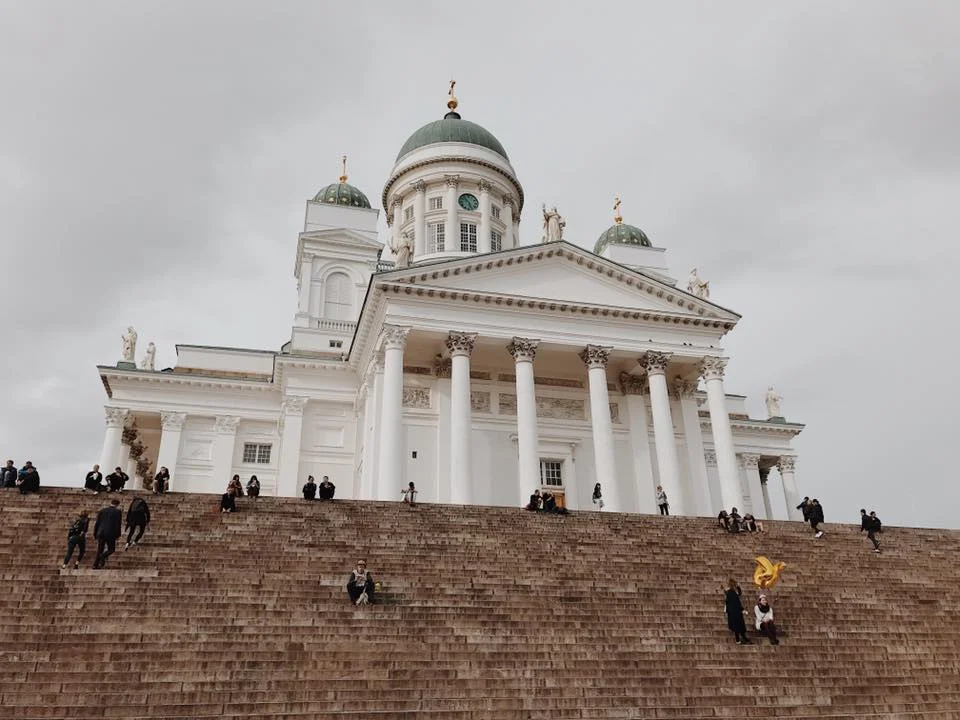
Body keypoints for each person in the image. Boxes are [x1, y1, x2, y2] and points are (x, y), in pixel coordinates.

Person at [92, 499, 123, 569]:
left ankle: (95, 565)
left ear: (111, 503)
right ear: (117, 505)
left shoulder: (102, 510)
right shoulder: (117, 512)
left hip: (101, 532)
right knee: (111, 549)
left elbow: (97, 523)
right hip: (111, 533)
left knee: (100, 549)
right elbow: (118, 524)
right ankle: (102, 556)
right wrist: (118, 534)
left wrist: (95, 533)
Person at [723, 579, 750, 644]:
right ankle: (738, 639)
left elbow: (739, 594)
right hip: (735, 611)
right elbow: (736, 602)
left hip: (734, 611)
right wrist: (742, 609)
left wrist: (738, 587)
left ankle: (742, 638)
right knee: (737, 625)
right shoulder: (731, 592)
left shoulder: (731, 592)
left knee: (738, 625)